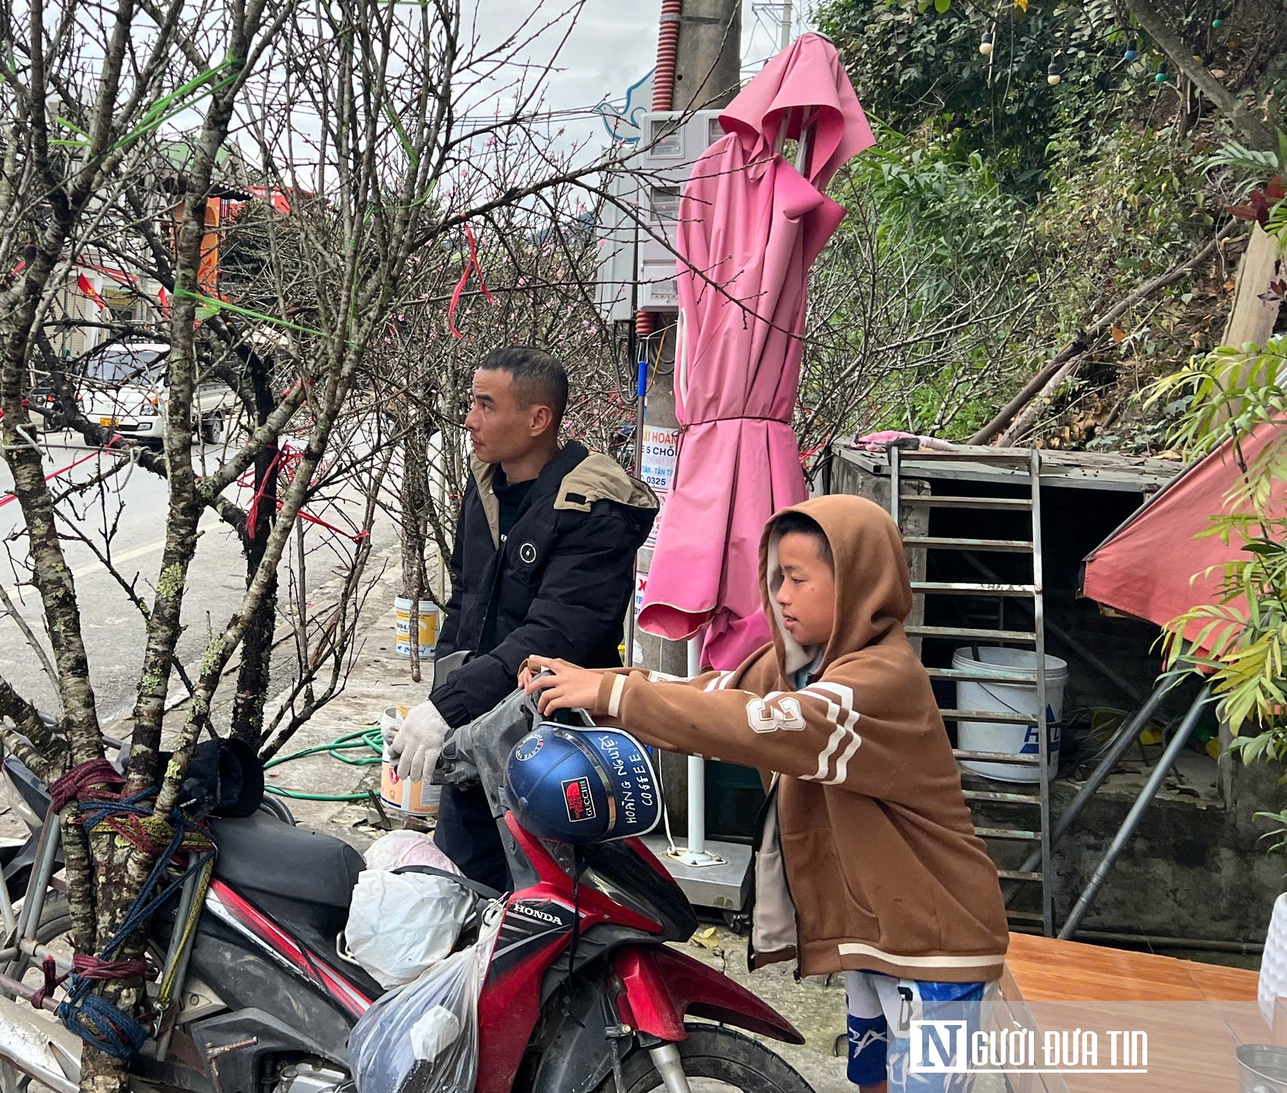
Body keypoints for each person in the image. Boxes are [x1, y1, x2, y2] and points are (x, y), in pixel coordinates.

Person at [522, 496, 1011, 1093]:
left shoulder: (881, 681)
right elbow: (702, 697)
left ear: (856, 584)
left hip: (939, 946)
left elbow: (755, 723)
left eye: (798, 579)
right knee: (872, 1080)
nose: (779, 595)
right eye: (775, 577)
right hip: (875, 938)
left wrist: (614, 696)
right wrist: (594, 685)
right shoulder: (799, 666)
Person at [389, 345, 658, 890]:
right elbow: (464, 599)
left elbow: (558, 632)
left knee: (548, 903)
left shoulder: (592, 506)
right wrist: (445, 704)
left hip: (557, 744)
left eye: (486, 405)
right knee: (462, 890)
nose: (469, 419)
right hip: (477, 731)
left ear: (539, 420)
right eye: (472, 402)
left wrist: (449, 706)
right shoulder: (486, 484)